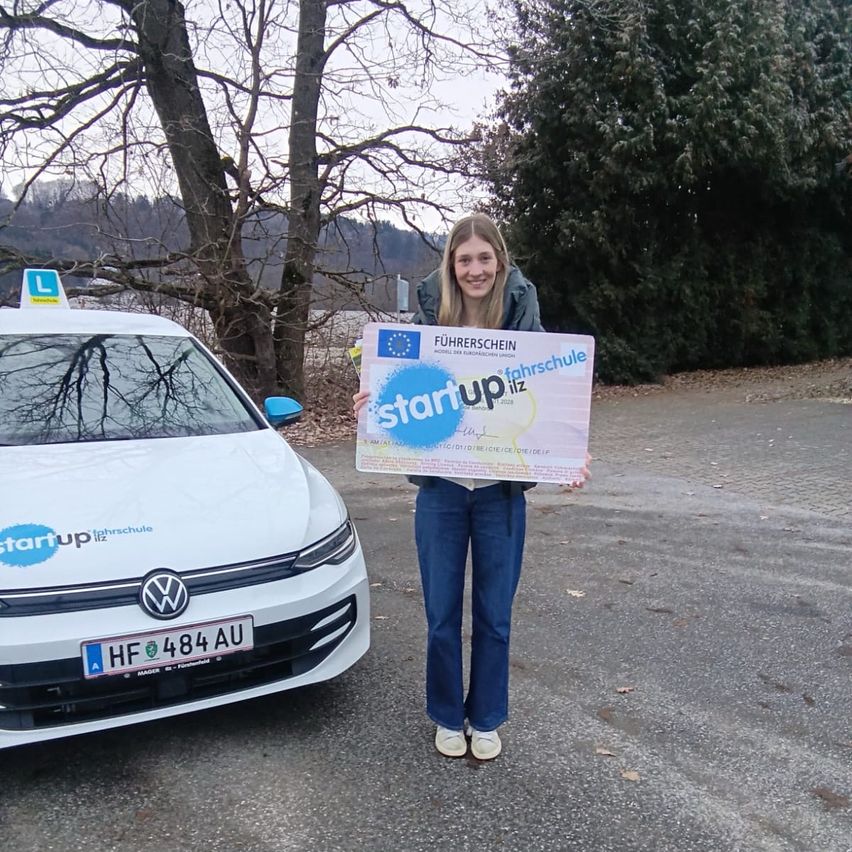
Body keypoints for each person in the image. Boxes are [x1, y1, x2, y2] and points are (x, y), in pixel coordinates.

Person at [353, 213, 590, 760]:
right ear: (451, 266)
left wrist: (571, 453)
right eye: (465, 260)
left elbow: (553, 402)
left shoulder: (524, 328)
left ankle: (485, 718)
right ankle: (444, 714)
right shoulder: (428, 322)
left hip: (499, 493)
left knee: (494, 615)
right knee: (440, 614)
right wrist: (374, 409)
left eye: (485, 258)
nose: (475, 269)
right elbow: (400, 395)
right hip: (442, 490)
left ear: (500, 262)